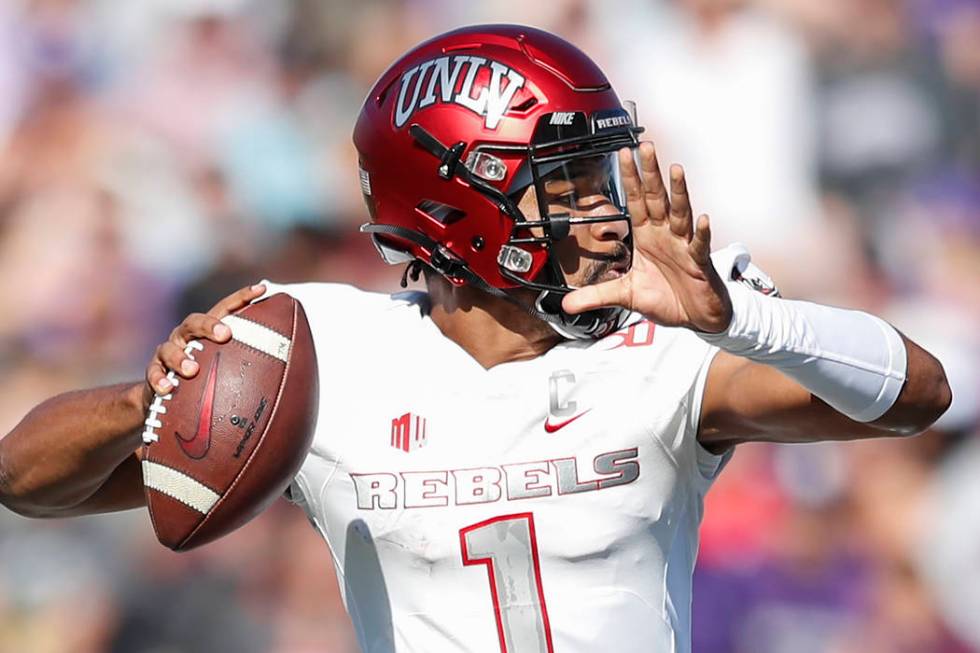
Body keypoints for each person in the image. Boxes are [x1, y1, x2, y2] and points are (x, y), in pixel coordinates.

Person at [0, 25, 950, 653]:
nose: (601, 206)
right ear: (456, 199)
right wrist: (142, 404)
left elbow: (918, 395)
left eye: (596, 171)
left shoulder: (659, 347)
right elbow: (26, 483)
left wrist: (747, 322)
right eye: (564, 177)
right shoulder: (319, 353)